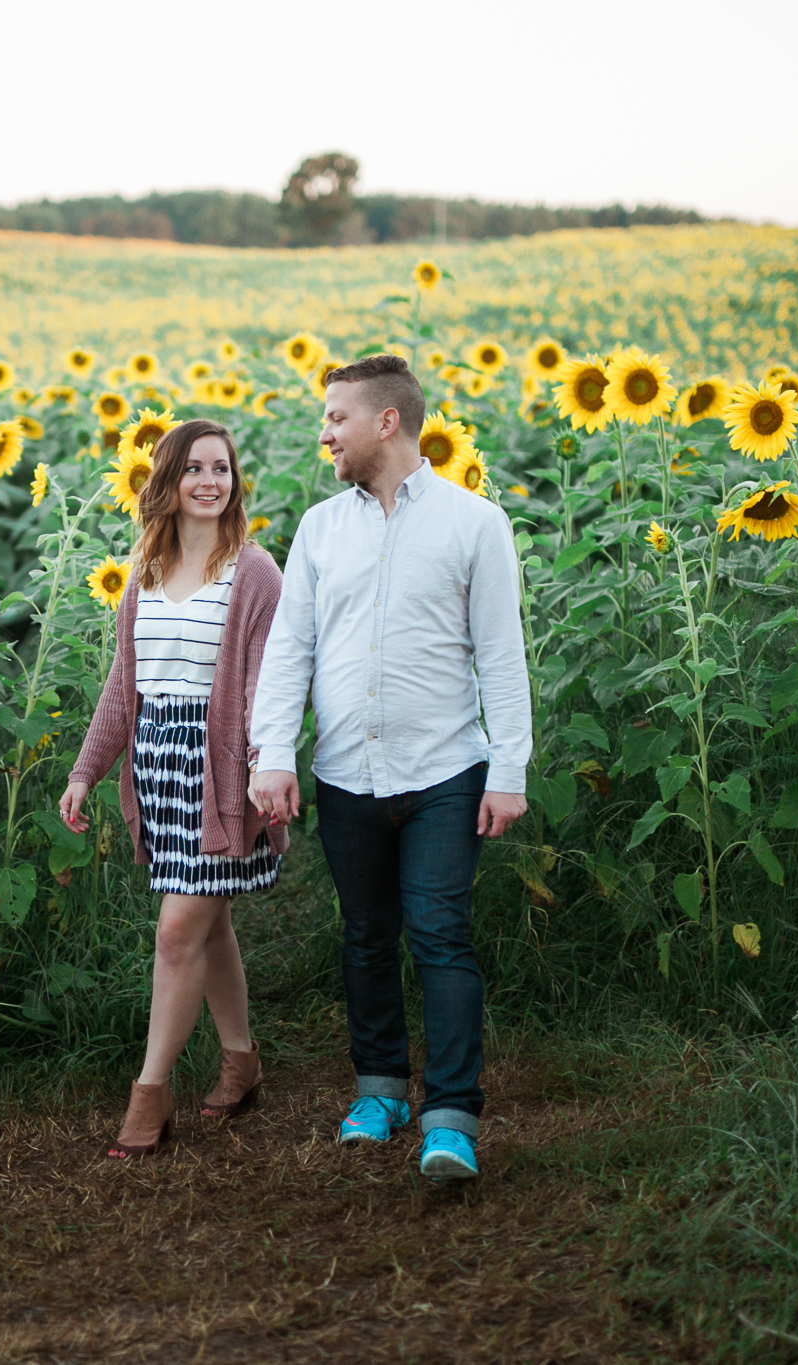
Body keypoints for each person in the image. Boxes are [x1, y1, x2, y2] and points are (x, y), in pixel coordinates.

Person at [248, 353, 532, 1182]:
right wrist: (274, 755)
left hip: (447, 771)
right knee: (366, 936)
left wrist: (508, 766)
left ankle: (451, 1114)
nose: (323, 433)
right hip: (345, 773)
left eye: (336, 417)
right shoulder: (318, 529)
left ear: (387, 421)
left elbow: (501, 656)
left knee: (441, 935)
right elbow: (289, 650)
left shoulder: (475, 521)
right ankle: (379, 1088)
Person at [61, 418, 289, 1159]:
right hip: (157, 767)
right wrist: (85, 770)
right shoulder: (146, 573)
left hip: (220, 769)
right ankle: (241, 1060)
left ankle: (148, 1095)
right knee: (208, 924)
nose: (209, 482)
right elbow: (121, 691)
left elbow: (267, 684)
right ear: (167, 480)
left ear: (234, 481)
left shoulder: (254, 571)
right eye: (193, 468)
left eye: (221, 469)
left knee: (177, 930)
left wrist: (264, 764)